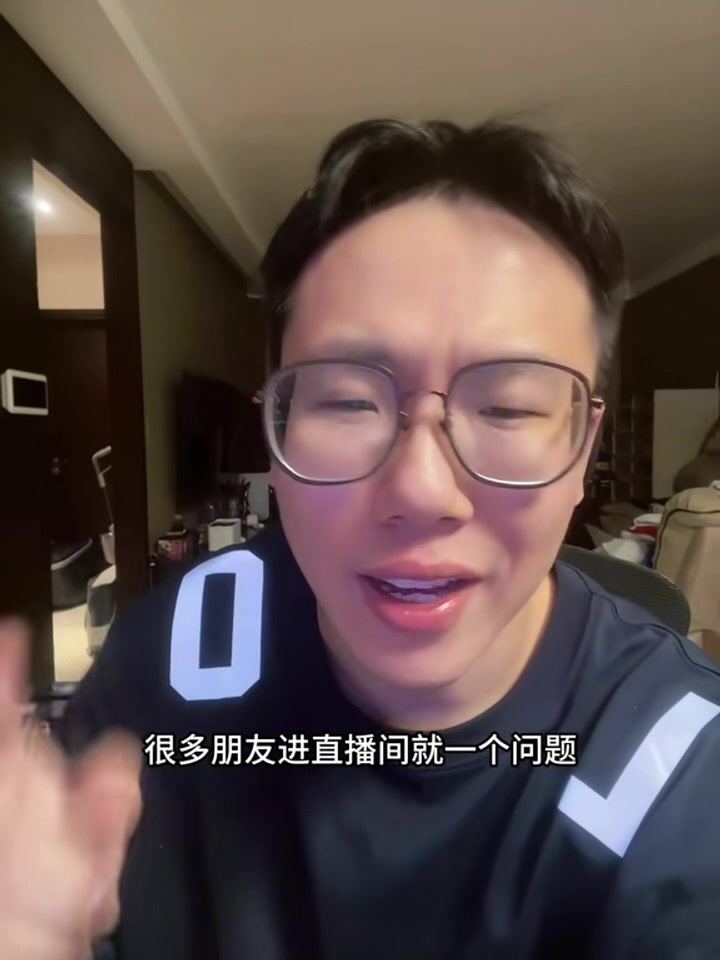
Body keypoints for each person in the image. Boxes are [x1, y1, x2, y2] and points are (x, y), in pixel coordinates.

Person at [2, 117, 720, 960]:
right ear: (276, 424)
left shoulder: (676, 761)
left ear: (582, 453)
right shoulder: (175, 656)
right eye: (347, 401)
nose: (421, 491)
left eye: (507, 407)